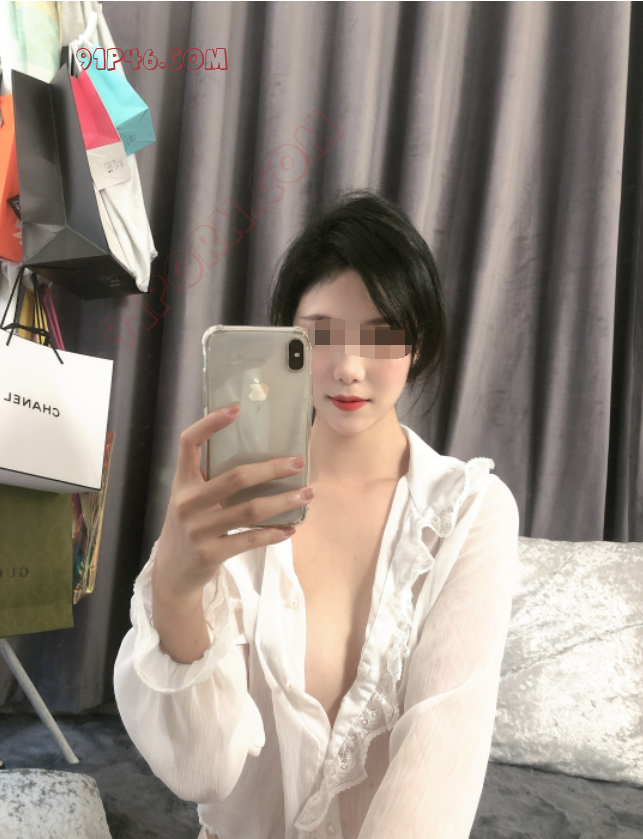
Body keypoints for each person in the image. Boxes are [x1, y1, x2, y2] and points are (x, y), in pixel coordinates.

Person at [114, 190, 520, 839]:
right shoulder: (234, 498)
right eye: (320, 335)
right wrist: (177, 590)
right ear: (286, 341)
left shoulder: (468, 514)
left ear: (418, 343)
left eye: (382, 335)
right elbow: (204, 773)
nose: (348, 368)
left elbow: (437, 770)